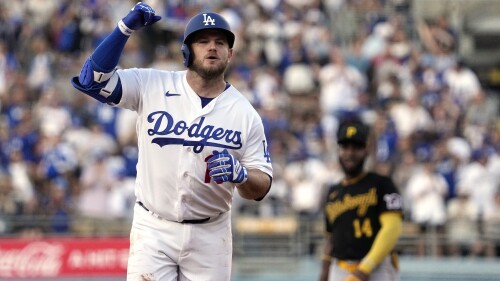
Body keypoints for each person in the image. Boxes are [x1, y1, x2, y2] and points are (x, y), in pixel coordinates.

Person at [70, 3, 273, 280]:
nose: (212, 47)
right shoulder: (152, 84)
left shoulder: (245, 114)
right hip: (153, 227)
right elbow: (91, 80)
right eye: (202, 41)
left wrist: (242, 175)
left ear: (230, 53)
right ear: (186, 52)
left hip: (211, 235)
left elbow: (260, 188)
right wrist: (123, 29)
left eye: (219, 42)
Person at [319, 120, 403, 281]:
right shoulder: (333, 192)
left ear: (366, 151)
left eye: (356, 147)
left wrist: (365, 268)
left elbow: (393, 228)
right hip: (340, 268)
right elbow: (331, 237)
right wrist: (324, 271)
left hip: (377, 269)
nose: (350, 153)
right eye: (345, 147)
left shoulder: (382, 184)